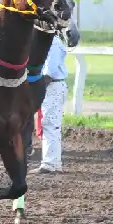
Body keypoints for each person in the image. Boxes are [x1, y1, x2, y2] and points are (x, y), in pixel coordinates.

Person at [36, 32, 68, 173]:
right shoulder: (49, 42)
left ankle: (51, 164)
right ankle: (51, 162)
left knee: (50, 123)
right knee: (48, 123)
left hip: (53, 86)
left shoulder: (53, 43)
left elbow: (49, 72)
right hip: (52, 86)